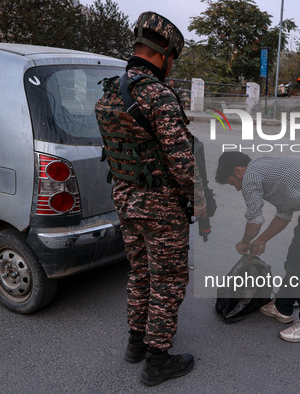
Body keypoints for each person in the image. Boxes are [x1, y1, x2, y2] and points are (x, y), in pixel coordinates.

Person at [95, 11, 206, 386]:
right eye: (173, 57)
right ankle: (158, 360)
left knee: (140, 272)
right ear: (165, 53)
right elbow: (183, 166)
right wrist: (199, 201)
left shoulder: (111, 90)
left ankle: (135, 343)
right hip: (160, 207)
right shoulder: (159, 96)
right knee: (169, 280)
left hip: (126, 199)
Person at [215, 152, 300, 343]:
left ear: (238, 171)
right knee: (295, 260)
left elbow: (255, 219)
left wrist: (244, 242)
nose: (237, 188)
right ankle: (283, 308)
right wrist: (262, 240)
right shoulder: (263, 170)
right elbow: (284, 214)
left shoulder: (250, 175)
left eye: (233, 183)